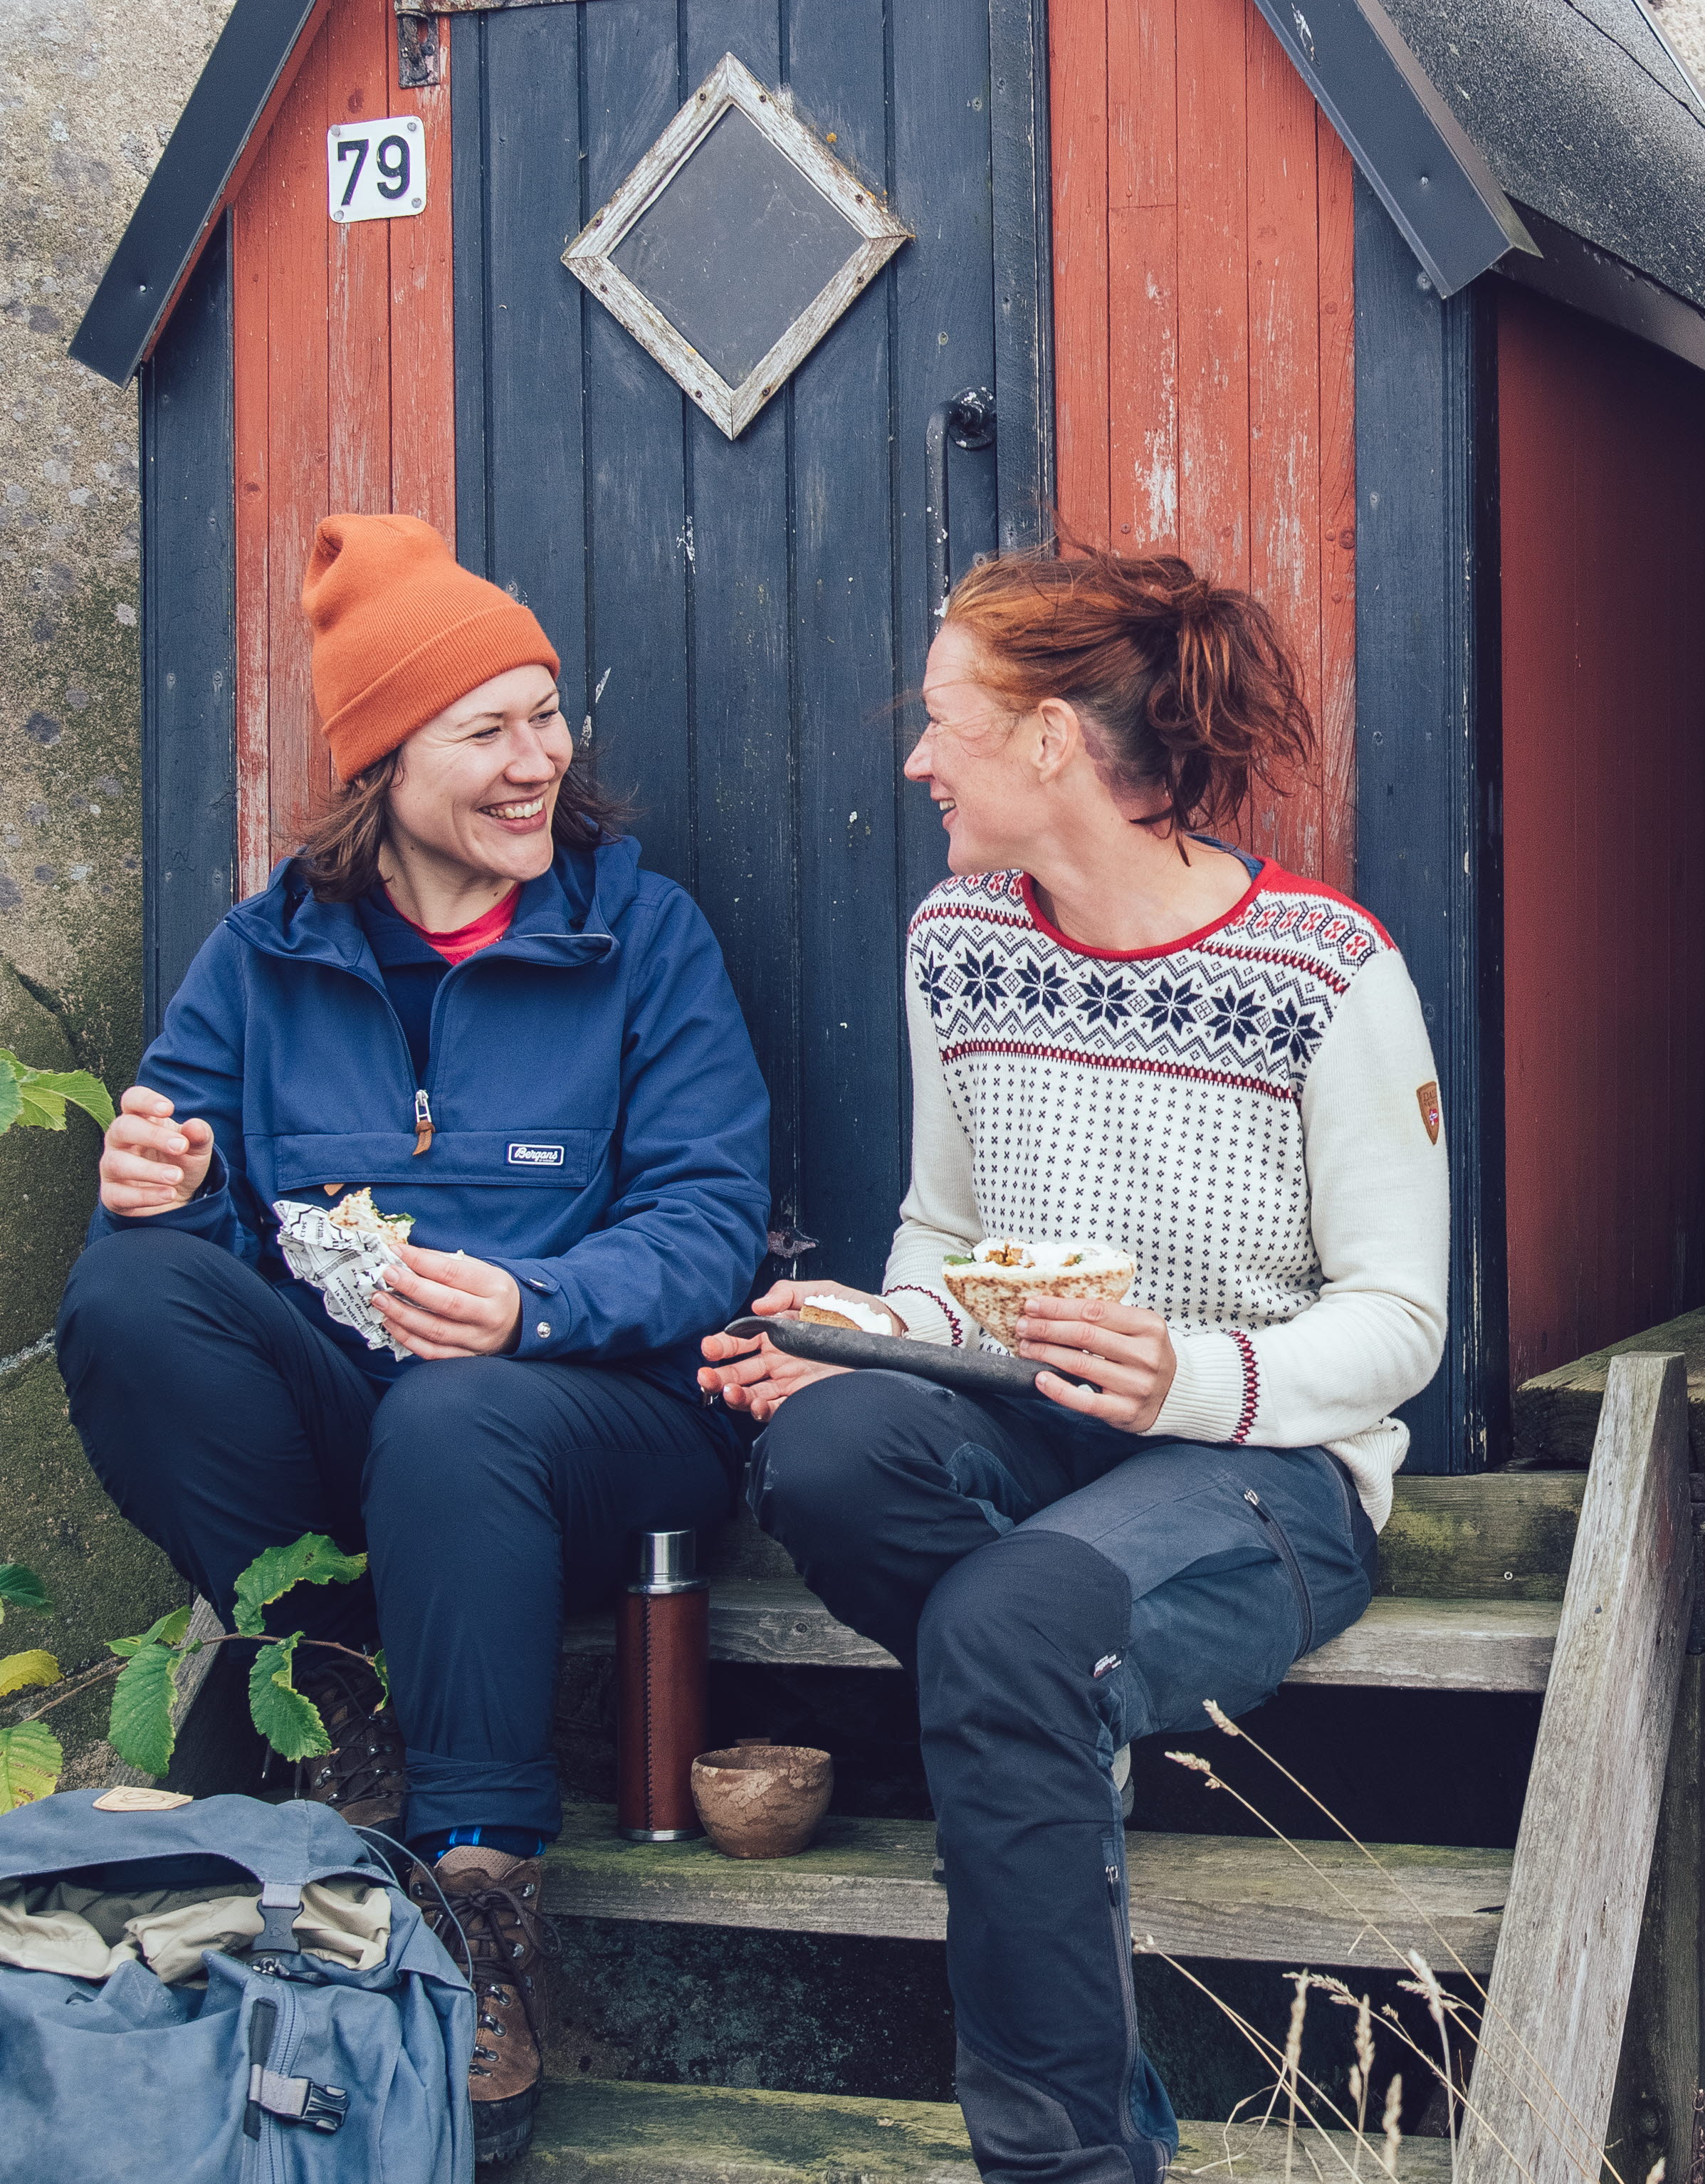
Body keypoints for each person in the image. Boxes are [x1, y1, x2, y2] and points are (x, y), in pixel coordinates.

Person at [699, 545, 1448, 2184]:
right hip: (1033, 1434)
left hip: (1270, 1477)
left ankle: (1064, 2164)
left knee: (1008, 1619)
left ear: (1048, 742)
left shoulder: (1324, 972)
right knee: (827, 1458)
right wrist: (847, 1338)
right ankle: (1041, 1698)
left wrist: (1180, 1371)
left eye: (942, 719)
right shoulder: (959, 940)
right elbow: (947, 1243)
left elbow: (1400, 1324)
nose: (915, 757)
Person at [58, 513, 770, 2166]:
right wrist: (154, 1191)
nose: (542, 760)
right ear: (384, 760)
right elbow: (190, 1270)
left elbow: (706, 1219)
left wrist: (538, 1305)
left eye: (547, 716)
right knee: (123, 1295)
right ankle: (335, 1676)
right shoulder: (265, 954)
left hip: (604, 1421)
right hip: (356, 1438)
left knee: (461, 1416)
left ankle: (477, 1908)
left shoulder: (636, 936)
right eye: (489, 730)